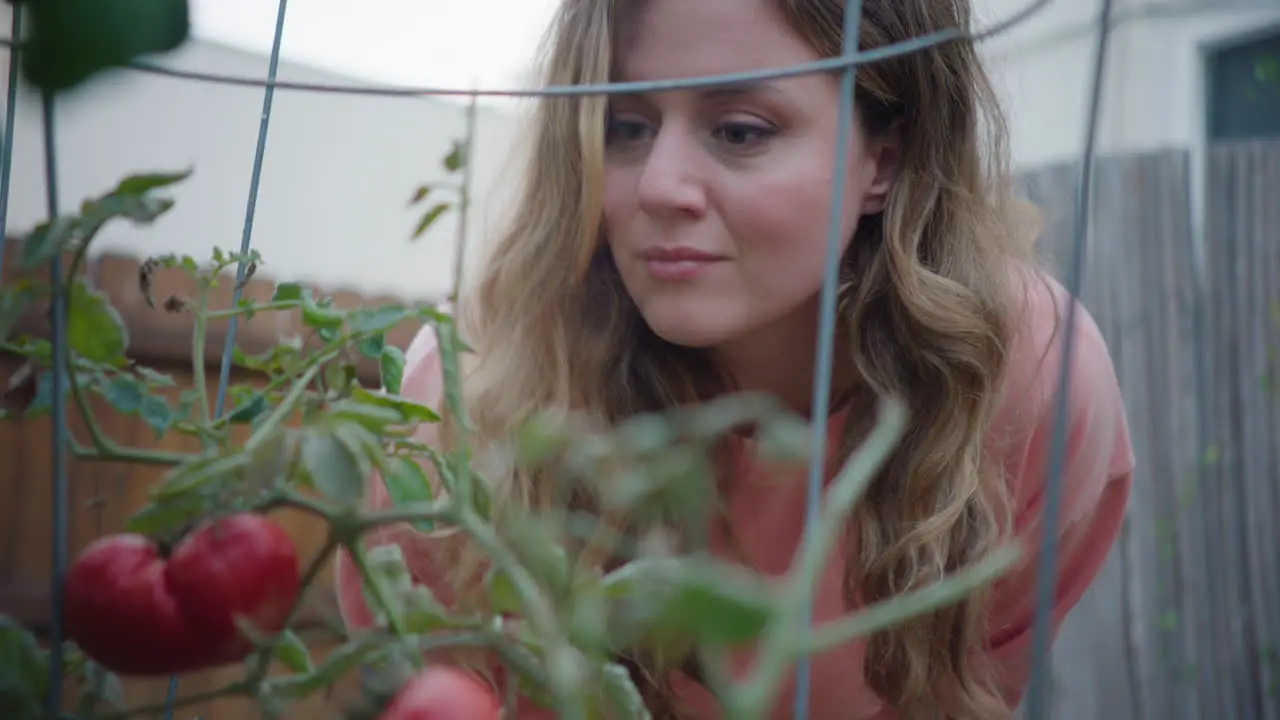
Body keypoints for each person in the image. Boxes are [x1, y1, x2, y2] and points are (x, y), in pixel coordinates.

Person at [335, 0, 1134, 717]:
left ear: (884, 161)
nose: (660, 186)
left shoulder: (1028, 380)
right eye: (625, 126)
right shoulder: (468, 399)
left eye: (740, 131)